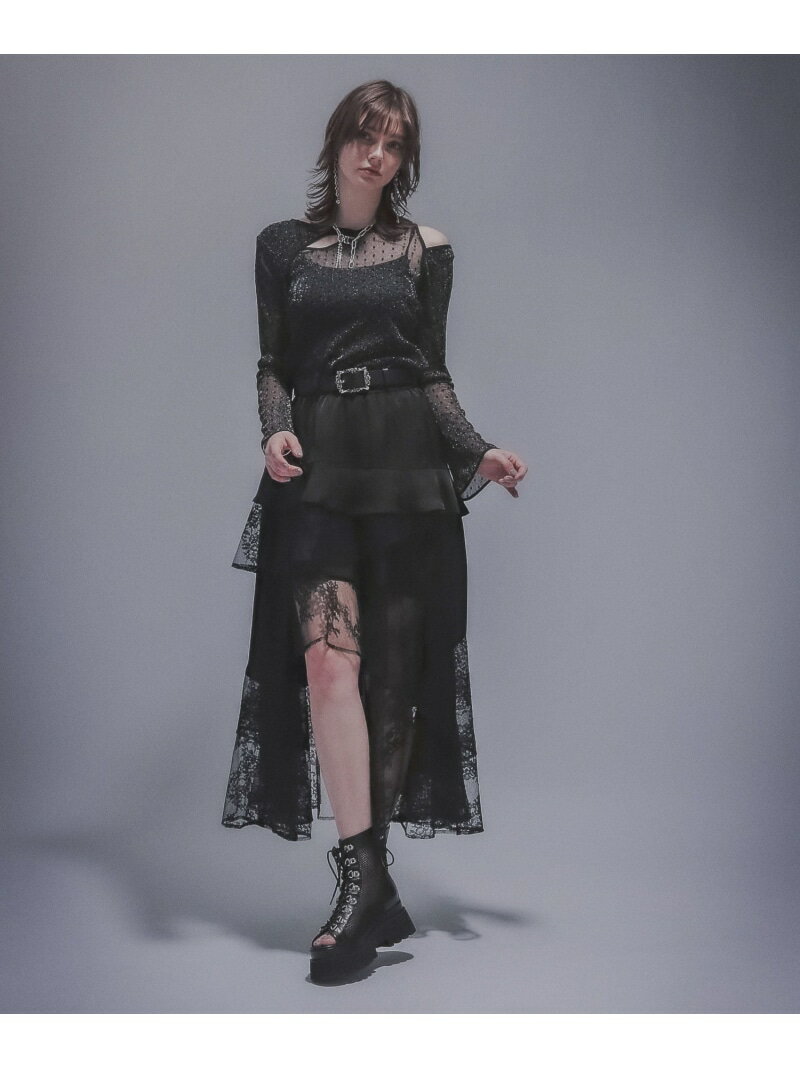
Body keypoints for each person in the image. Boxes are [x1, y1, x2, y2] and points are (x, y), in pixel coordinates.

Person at [222, 79, 527, 982]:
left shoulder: (426, 250)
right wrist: (274, 426)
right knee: (329, 663)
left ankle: (369, 891)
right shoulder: (283, 247)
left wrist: (478, 449)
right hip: (320, 469)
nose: (376, 155)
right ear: (338, 141)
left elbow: (432, 372)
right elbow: (272, 363)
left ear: (405, 160)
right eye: (365, 136)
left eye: (393, 144)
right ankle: (362, 883)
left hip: (403, 467)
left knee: (391, 687)